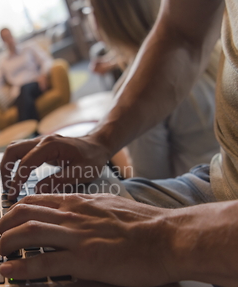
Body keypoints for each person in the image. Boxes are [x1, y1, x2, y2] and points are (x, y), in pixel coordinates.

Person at [0, 0, 238, 287]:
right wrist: (99, 140)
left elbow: (150, 174)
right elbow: (182, 33)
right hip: (220, 177)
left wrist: (164, 238)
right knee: (52, 229)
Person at [90, 0, 220, 179]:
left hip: (206, 195)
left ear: (100, 19)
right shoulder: (217, 48)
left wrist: (112, 145)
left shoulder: (133, 93)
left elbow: (151, 182)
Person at [0, 28, 53, 122]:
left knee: (24, 91)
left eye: (9, 36)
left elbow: (46, 60)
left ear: (12, 35)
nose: (9, 40)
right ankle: (35, 128)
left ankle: (30, 132)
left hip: (35, 84)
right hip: (18, 93)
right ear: (2, 41)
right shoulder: (2, 61)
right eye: (5, 38)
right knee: (23, 95)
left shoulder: (29, 47)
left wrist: (44, 75)